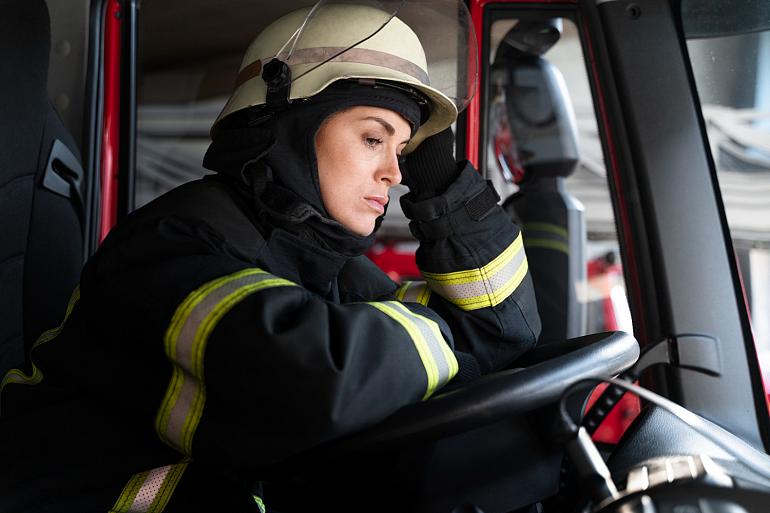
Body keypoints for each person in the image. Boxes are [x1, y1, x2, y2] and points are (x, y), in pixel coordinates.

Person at [0, 1, 541, 511]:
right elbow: (315, 382)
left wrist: (440, 180)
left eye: (404, 151)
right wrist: (447, 336)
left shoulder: (318, 259)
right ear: (292, 124)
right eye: (374, 140)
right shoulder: (172, 244)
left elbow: (502, 328)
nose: (396, 175)